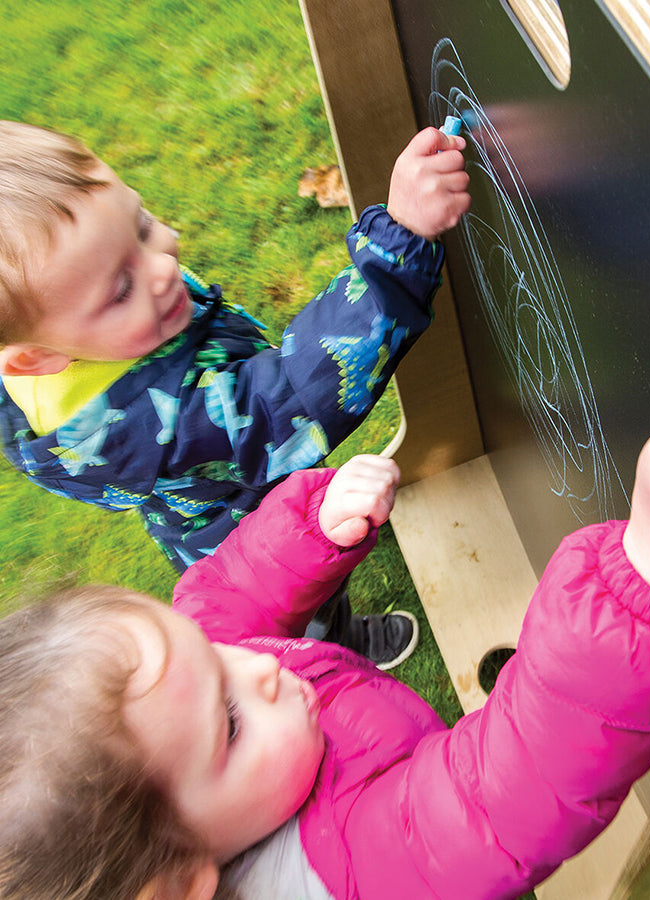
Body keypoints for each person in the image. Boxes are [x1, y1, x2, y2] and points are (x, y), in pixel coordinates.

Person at [0, 366, 650, 900]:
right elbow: (511, 786)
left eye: (208, 656)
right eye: (229, 725)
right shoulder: (357, 870)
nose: (258, 669)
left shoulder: (197, 700)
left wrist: (312, 527)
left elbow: (219, 603)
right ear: (182, 881)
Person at [0, 119, 470, 668]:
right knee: (306, 604)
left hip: (218, 510)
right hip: (252, 544)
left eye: (142, 226)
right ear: (35, 358)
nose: (164, 266)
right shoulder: (158, 424)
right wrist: (400, 242)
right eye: (122, 288)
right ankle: (344, 645)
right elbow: (293, 395)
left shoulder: (65, 342)